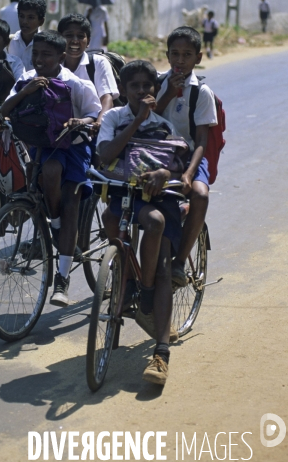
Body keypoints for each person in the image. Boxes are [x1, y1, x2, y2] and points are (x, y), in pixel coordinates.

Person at [97, 60, 183, 386]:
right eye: (135, 86)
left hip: (157, 198)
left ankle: (161, 351)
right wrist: (136, 122)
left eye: (148, 86)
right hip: (125, 192)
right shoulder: (114, 119)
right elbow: (105, 155)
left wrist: (165, 174)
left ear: (155, 90)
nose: (143, 91)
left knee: (157, 224)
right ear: (123, 91)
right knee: (109, 217)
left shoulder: (164, 126)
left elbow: (177, 164)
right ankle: (129, 277)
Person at [1, 31, 101, 307]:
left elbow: (94, 115)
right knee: (49, 173)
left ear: (61, 56)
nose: (39, 59)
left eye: (47, 54)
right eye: (36, 54)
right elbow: (5, 110)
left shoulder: (77, 83)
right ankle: (54, 221)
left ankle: (62, 279)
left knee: (69, 202)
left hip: (76, 148)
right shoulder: (26, 79)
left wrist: (80, 121)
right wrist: (27, 90)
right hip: (43, 147)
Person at [155, 26, 217, 288]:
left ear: (198, 58)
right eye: (175, 54)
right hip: (156, 153)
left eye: (187, 55)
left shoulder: (201, 92)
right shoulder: (156, 83)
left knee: (201, 194)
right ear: (167, 56)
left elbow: (202, 140)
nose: (180, 61)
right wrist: (168, 92)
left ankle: (180, 261)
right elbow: (146, 118)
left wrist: (190, 174)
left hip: (189, 154)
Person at [57, 13, 118, 123]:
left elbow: (106, 98)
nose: (75, 41)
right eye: (69, 35)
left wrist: (98, 124)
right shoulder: (54, 64)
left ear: (88, 41)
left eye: (80, 36)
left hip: (91, 130)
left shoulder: (98, 63)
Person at [8, 0, 46, 72]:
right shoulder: (9, 42)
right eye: (21, 16)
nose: (25, 22)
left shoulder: (46, 44)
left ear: (41, 21)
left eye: (30, 17)